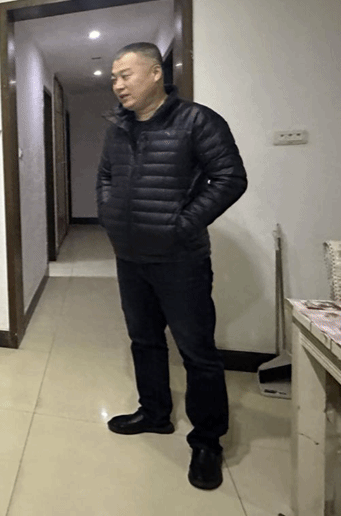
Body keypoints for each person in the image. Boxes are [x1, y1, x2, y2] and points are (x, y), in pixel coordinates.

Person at [96, 43, 247, 491]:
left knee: (198, 352)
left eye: (125, 75)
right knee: (144, 340)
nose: (117, 85)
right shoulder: (118, 127)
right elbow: (105, 176)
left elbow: (230, 177)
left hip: (181, 259)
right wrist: (109, 214)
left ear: (155, 73)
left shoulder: (196, 120)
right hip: (130, 257)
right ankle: (155, 413)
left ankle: (207, 441)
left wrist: (182, 223)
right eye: (113, 78)